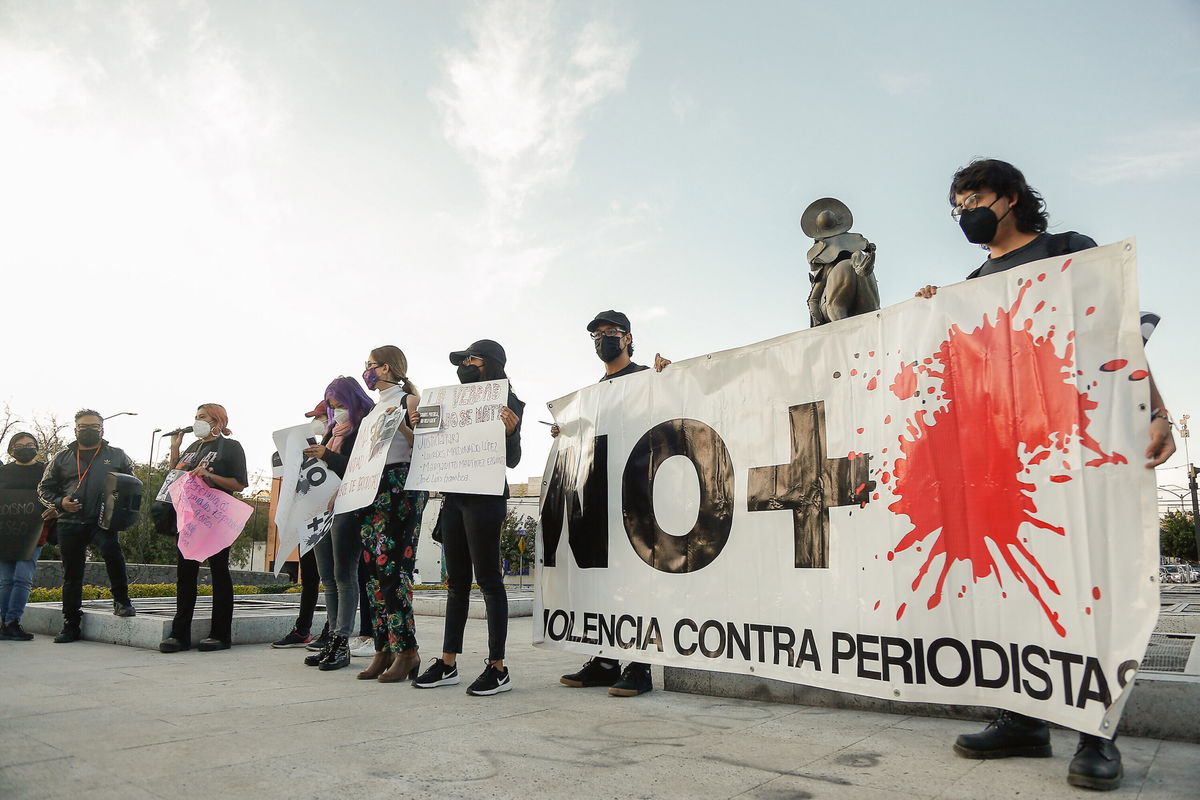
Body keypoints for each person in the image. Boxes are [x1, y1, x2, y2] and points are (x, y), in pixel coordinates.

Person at [916, 159, 1176, 792]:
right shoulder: (974, 282)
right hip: (1007, 457)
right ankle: (1022, 720)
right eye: (956, 206)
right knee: (1014, 586)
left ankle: (1096, 734)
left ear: (1008, 197)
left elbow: (1113, 338)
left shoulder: (1069, 252)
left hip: (1077, 441)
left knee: (1086, 582)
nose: (964, 213)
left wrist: (1157, 409)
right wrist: (927, 317)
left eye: (972, 198)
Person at [553, 310, 669, 697]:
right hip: (602, 493)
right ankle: (605, 660)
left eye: (611, 332)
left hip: (639, 491)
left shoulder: (646, 377)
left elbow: (673, 411)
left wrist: (671, 380)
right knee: (606, 582)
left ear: (629, 337)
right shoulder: (593, 393)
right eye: (597, 334)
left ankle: (640, 667)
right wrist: (565, 430)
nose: (604, 338)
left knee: (639, 580)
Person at [413, 339, 524, 695]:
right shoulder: (448, 403)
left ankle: (498, 667)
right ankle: (448, 663)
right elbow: (431, 446)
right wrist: (419, 424)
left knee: (489, 580)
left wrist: (512, 432)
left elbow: (513, 460)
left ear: (490, 363)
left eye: (471, 359)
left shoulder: (507, 399)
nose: (464, 364)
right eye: (462, 360)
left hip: (486, 498)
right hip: (454, 498)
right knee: (456, 583)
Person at [354, 346, 428, 683]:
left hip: (402, 485)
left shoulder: (408, 400)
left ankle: (407, 651)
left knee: (394, 571)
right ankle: (383, 649)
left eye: (370, 365)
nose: (366, 371)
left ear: (386, 367)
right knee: (371, 573)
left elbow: (427, 447)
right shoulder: (372, 410)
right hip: (371, 487)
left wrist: (401, 428)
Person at [37, 410, 137, 643]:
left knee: (113, 553)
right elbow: (43, 489)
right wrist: (59, 503)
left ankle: (122, 601)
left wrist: (119, 510)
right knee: (72, 573)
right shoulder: (62, 457)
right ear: (75, 430)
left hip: (102, 521)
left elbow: (132, 484)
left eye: (94, 426)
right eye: (83, 426)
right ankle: (71, 623)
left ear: (102, 429)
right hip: (69, 522)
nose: (89, 430)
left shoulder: (117, 455)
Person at [158, 404, 249, 653]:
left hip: (215, 517)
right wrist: (175, 450)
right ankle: (179, 634)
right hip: (189, 518)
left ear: (217, 421)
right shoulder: (193, 447)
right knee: (185, 574)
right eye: (196, 417)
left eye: (202, 417)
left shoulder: (231, 447)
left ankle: (220, 635)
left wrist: (210, 476)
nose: (197, 421)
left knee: (219, 573)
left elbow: (239, 484)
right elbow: (174, 476)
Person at [302, 378, 376, 671]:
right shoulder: (331, 432)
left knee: (345, 575)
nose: (336, 413)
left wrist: (328, 455)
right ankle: (332, 637)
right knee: (328, 577)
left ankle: (342, 641)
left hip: (349, 507)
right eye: (332, 407)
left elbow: (360, 470)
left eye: (340, 405)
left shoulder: (364, 430)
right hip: (321, 509)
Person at [273, 403, 333, 650]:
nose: (316, 422)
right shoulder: (309, 449)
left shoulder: (339, 444)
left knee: (333, 578)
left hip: (330, 518)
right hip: (308, 518)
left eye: (319, 417)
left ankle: (333, 629)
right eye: (314, 418)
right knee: (309, 577)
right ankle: (302, 629)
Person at [0, 433, 55, 641]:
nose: (25, 447)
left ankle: (12, 621)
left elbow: (53, 496)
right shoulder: (3, 472)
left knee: (22, 578)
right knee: (5, 581)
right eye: (20, 445)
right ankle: (4, 623)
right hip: (5, 532)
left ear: (37, 447)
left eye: (30, 444)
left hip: (34, 532)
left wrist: (54, 509)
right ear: (11, 449)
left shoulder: (45, 472)